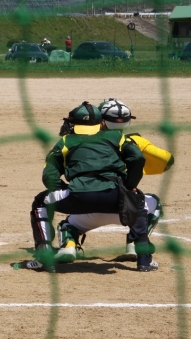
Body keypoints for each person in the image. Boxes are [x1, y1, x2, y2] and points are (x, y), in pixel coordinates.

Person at [27, 101, 156, 272]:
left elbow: (49, 175)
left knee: (40, 202)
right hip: (114, 196)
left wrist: (62, 187)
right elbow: (138, 157)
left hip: (79, 197)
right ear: (101, 122)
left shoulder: (65, 141)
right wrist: (129, 185)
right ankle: (144, 261)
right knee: (137, 200)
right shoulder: (116, 137)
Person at [54, 99, 173, 263]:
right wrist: (133, 180)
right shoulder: (132, 141)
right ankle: (135, 243)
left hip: (86, 208)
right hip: (124, 207)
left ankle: (68, 246)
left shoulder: (77, 139)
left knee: (67, 225)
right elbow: (166, 161)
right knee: (154, 202)